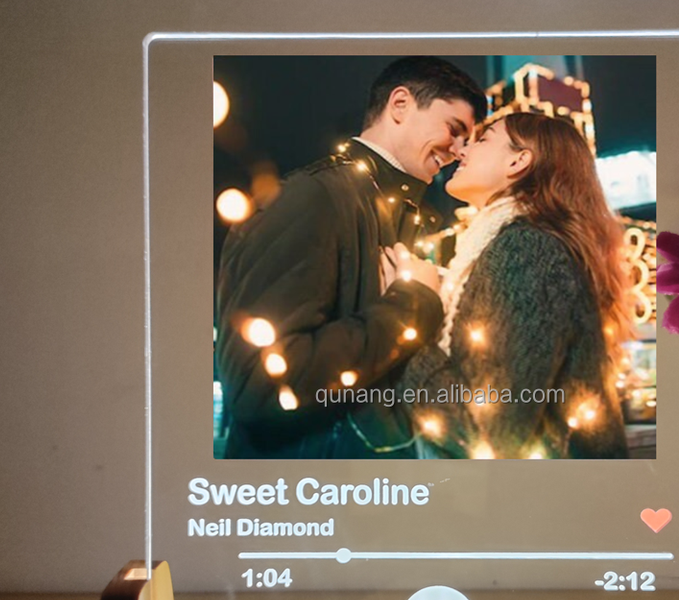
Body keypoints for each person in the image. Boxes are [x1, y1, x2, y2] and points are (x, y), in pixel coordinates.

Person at [216, 57, 487, 458]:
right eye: (454, 129)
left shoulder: (408, 216)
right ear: (400, 105)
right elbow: (259, 386)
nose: (460, 151)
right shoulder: (313, 197)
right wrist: (413, 305)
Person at [401, 112, 632, 459]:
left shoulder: (528, 249)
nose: (461, 150)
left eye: (483, 139)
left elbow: (488, 433)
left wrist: (411, 322)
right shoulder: (501, 247)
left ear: (519, 161)